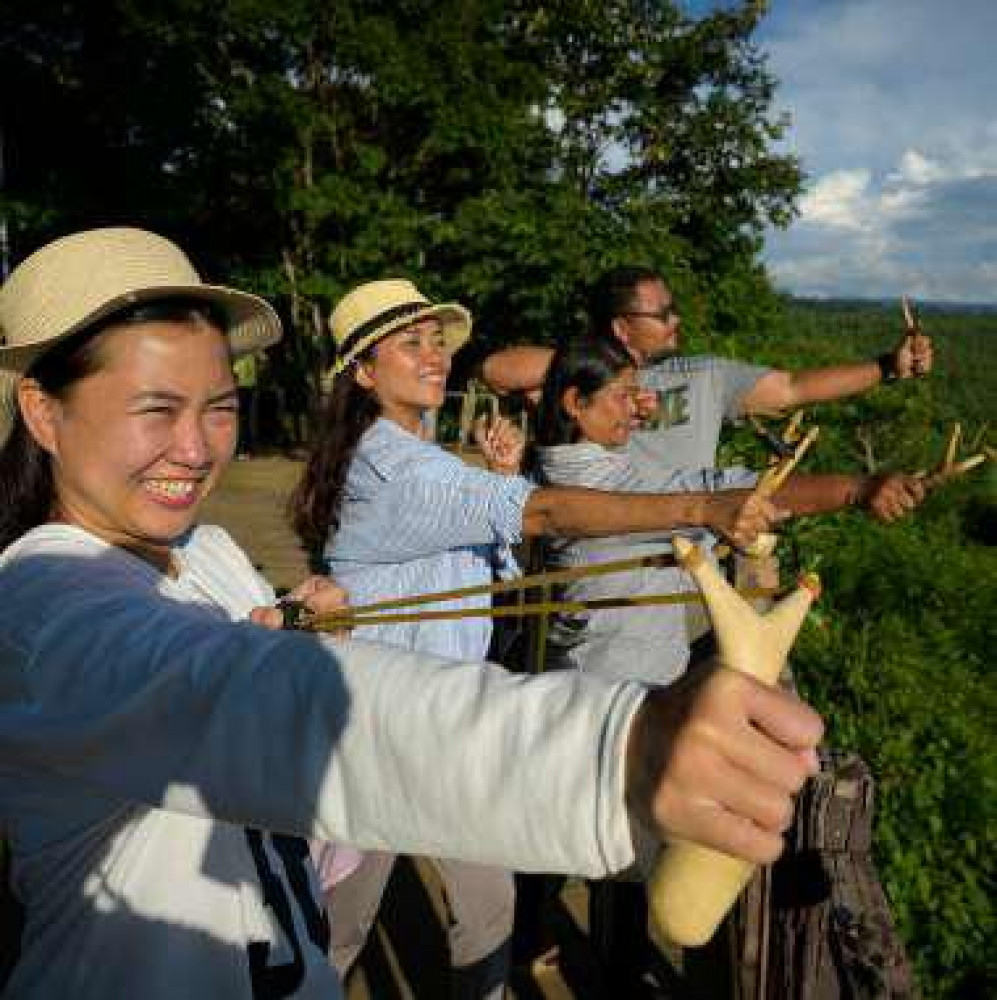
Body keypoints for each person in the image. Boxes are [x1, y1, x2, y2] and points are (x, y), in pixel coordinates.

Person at [0, 228, 825, 1000]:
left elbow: (224, 661)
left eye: (218, 406)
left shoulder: (207, 550)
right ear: (42, 413)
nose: (196, 447)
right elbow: (257, 698)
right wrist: (621, 752)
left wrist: (287, 611)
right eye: (154, 408)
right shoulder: (44, 607)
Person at [290, 278, 778, 997]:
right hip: (380, 729)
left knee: (487, 910)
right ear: (364, 372)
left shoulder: (417, 460)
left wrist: (498, 480)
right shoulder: (396, 465)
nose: (433, 356)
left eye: (436, 340)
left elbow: (487, 562)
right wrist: (701, 505)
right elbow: (545, 515)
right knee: (342, 928)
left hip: (444, 719)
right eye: (408, 344)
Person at [481, 264, 935, 470]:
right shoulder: (580, 381)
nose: (676, 320)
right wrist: (606, 369)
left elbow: (793, 388)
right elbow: (496, 370)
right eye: (662, 315)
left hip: (682, 569)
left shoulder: (705, 376)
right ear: (622, 328)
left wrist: (887, 367)